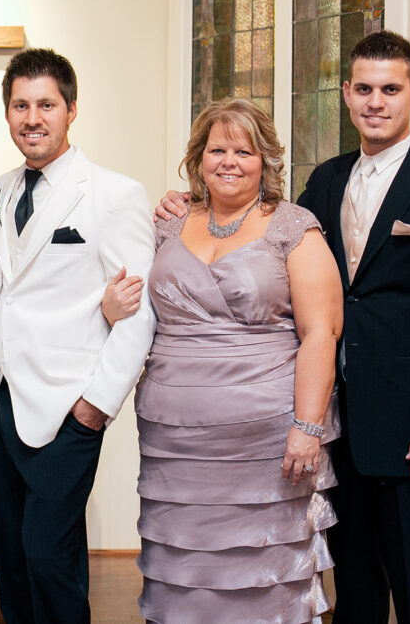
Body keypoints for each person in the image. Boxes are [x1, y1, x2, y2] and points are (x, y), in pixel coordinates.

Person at [157, 32, 410, 623]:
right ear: (346, 94)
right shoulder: (326, 181)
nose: (376, 102)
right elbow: (257, 231)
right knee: (355, 599)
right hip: (340, 431)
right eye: (363, 89)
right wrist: (184, 204)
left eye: (390, 89)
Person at [132, 97, 343, 622]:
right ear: (198, 158)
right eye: (217, 148)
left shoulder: (294, 227)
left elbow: (322, 333)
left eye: (243, 150)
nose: (229, 160)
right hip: (175, 443)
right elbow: (134, 306)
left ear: (265, 160)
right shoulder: (168, 223)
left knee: (264, 577)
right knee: (184, 575)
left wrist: (307, 427)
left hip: (266, 444)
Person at [0, 48, 157, 623]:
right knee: (11, 557)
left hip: (68, 404)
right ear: (7, 113)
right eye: (20, 105)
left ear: (72, 110)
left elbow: (139, 313)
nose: (33, 118)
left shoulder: (113, 193)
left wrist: (97, 405)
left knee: (47, 556)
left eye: (46, 105)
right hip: (0, 402)